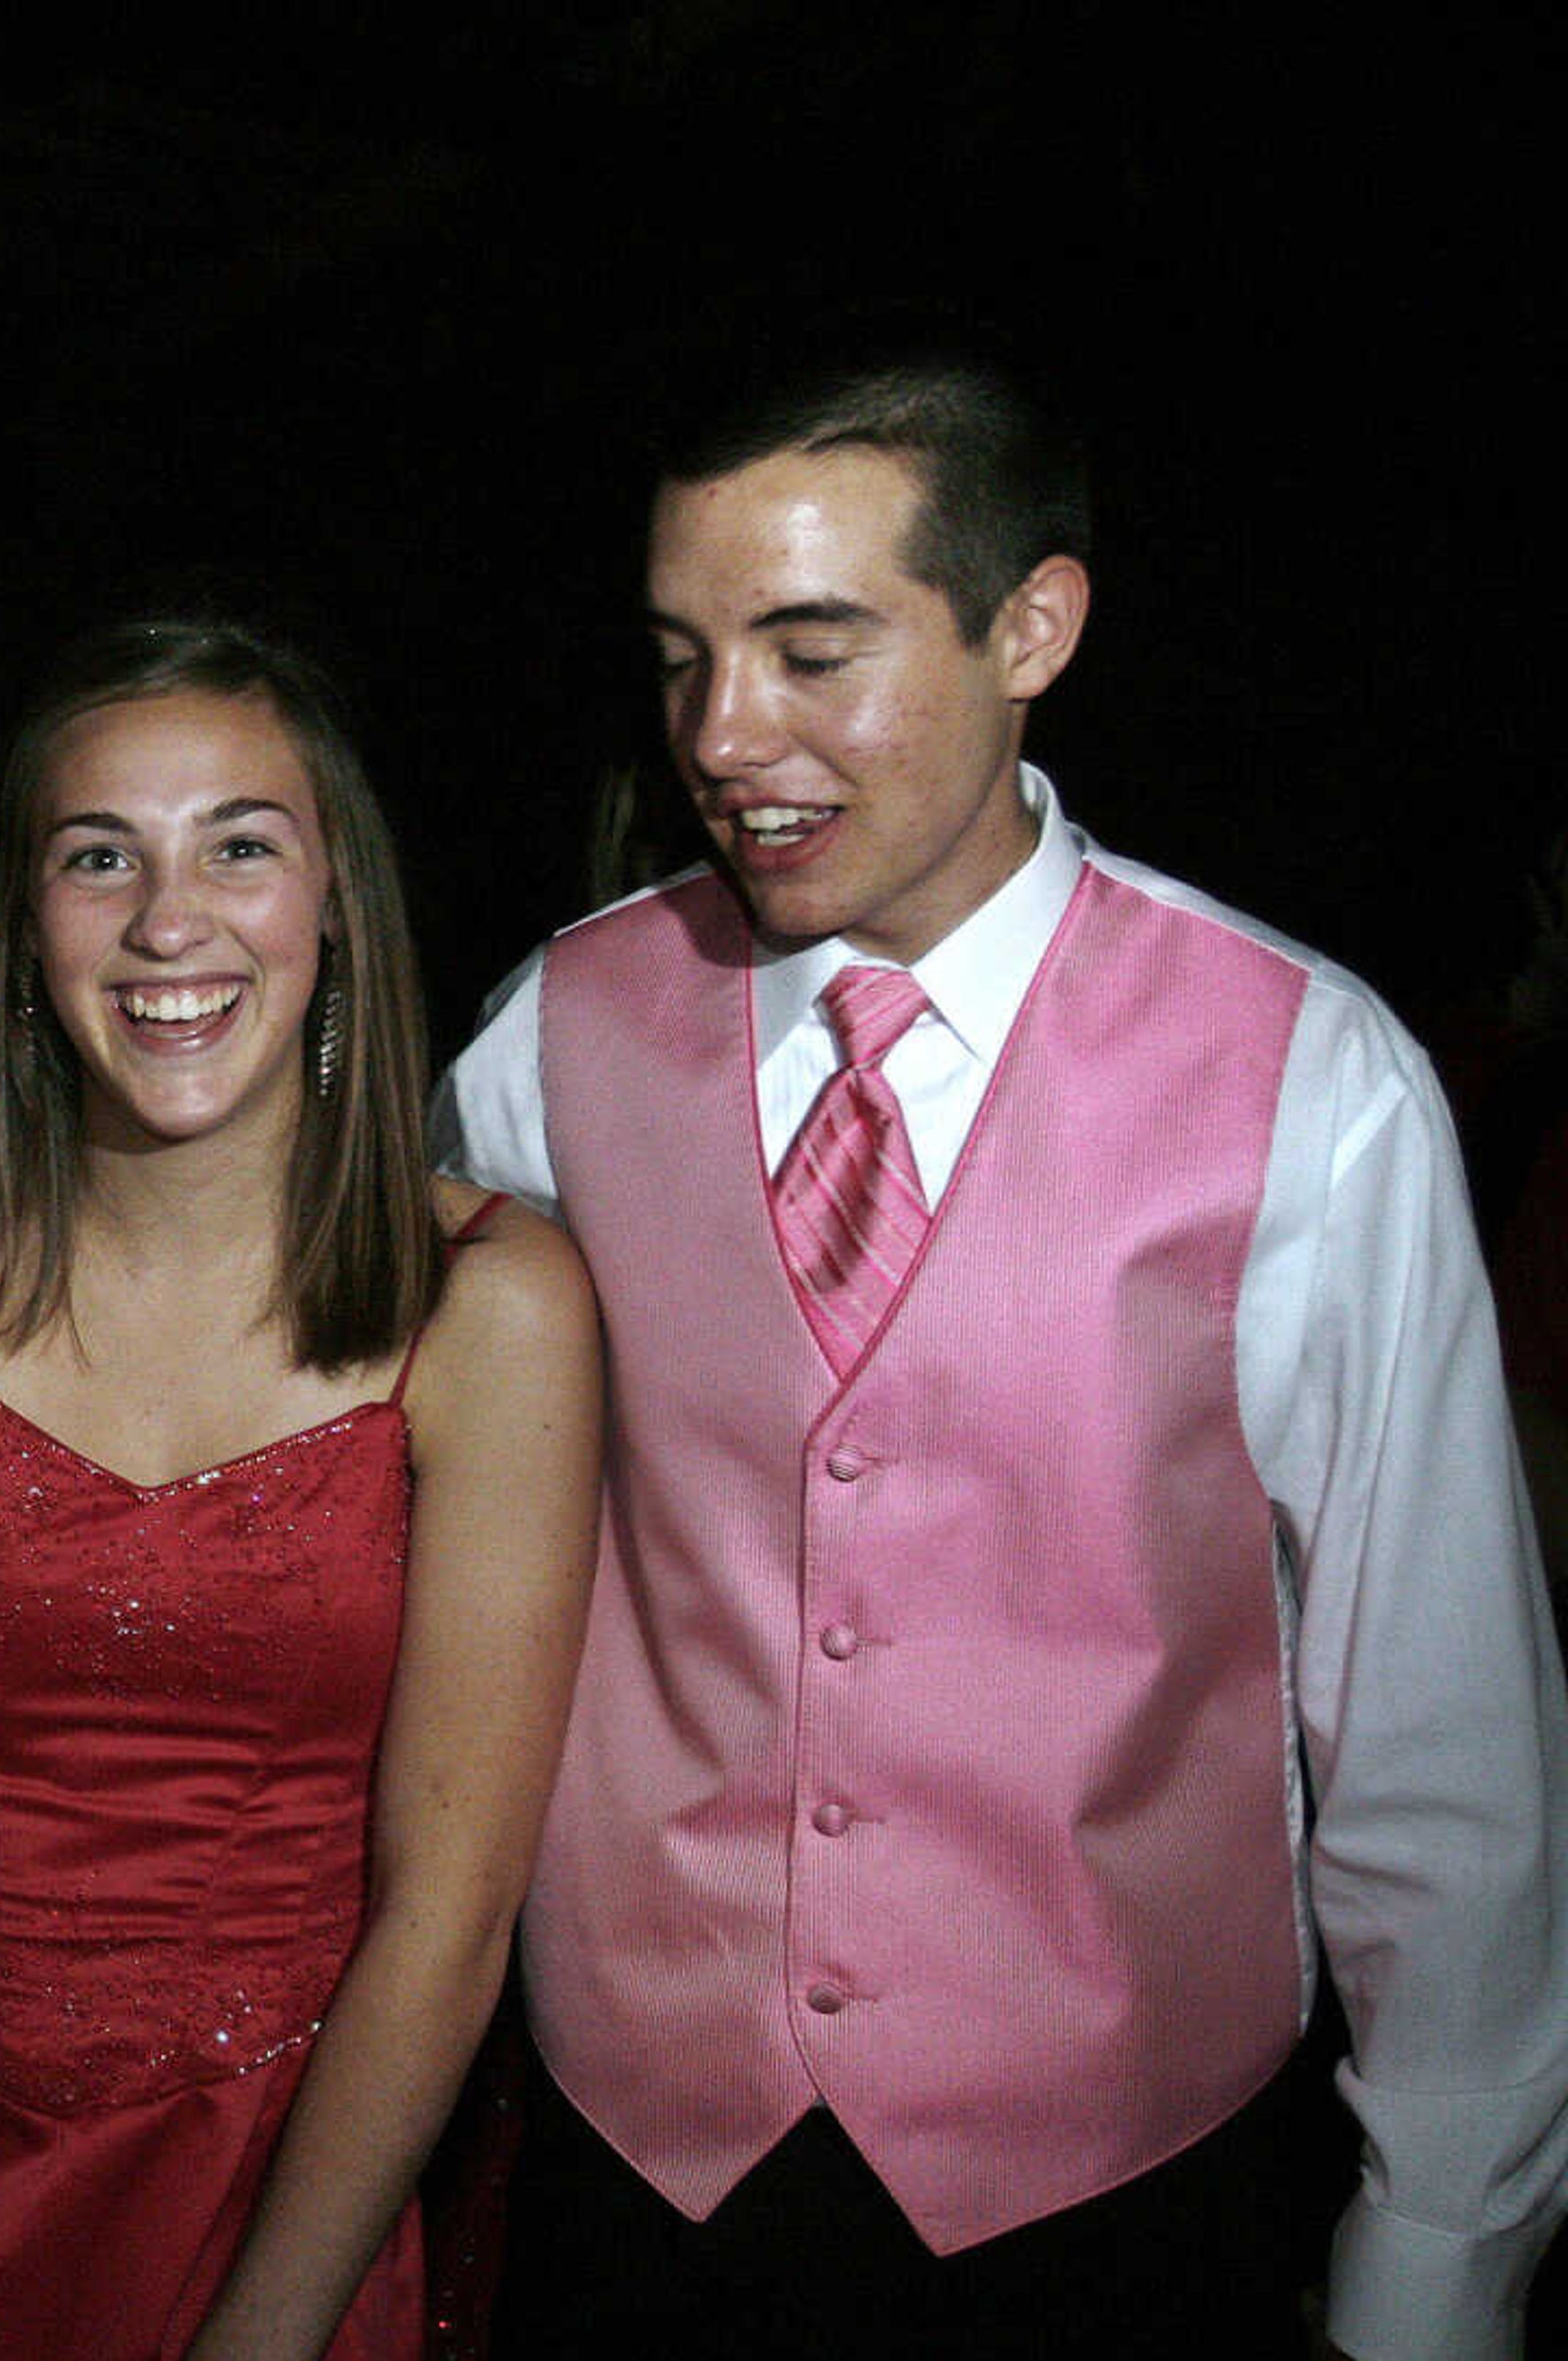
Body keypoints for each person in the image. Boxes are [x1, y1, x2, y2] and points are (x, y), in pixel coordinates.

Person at [435, 335, 1568, 2359]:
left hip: (1119, 2196)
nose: (727, 733)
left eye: (810, 650)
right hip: (640, 2171)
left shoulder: (1310, 1076)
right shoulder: (556, 1034)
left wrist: (1440, 2262)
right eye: (685, 655)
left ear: (1032, 625)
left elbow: (1436, 1732)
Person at [0, 617, 603, 2358]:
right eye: (100, 855)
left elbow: (452, 1905)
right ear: (24, 916)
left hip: (276, 2203)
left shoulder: (495, 1312)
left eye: (239, 847)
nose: (169, 922)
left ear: (336, 896)